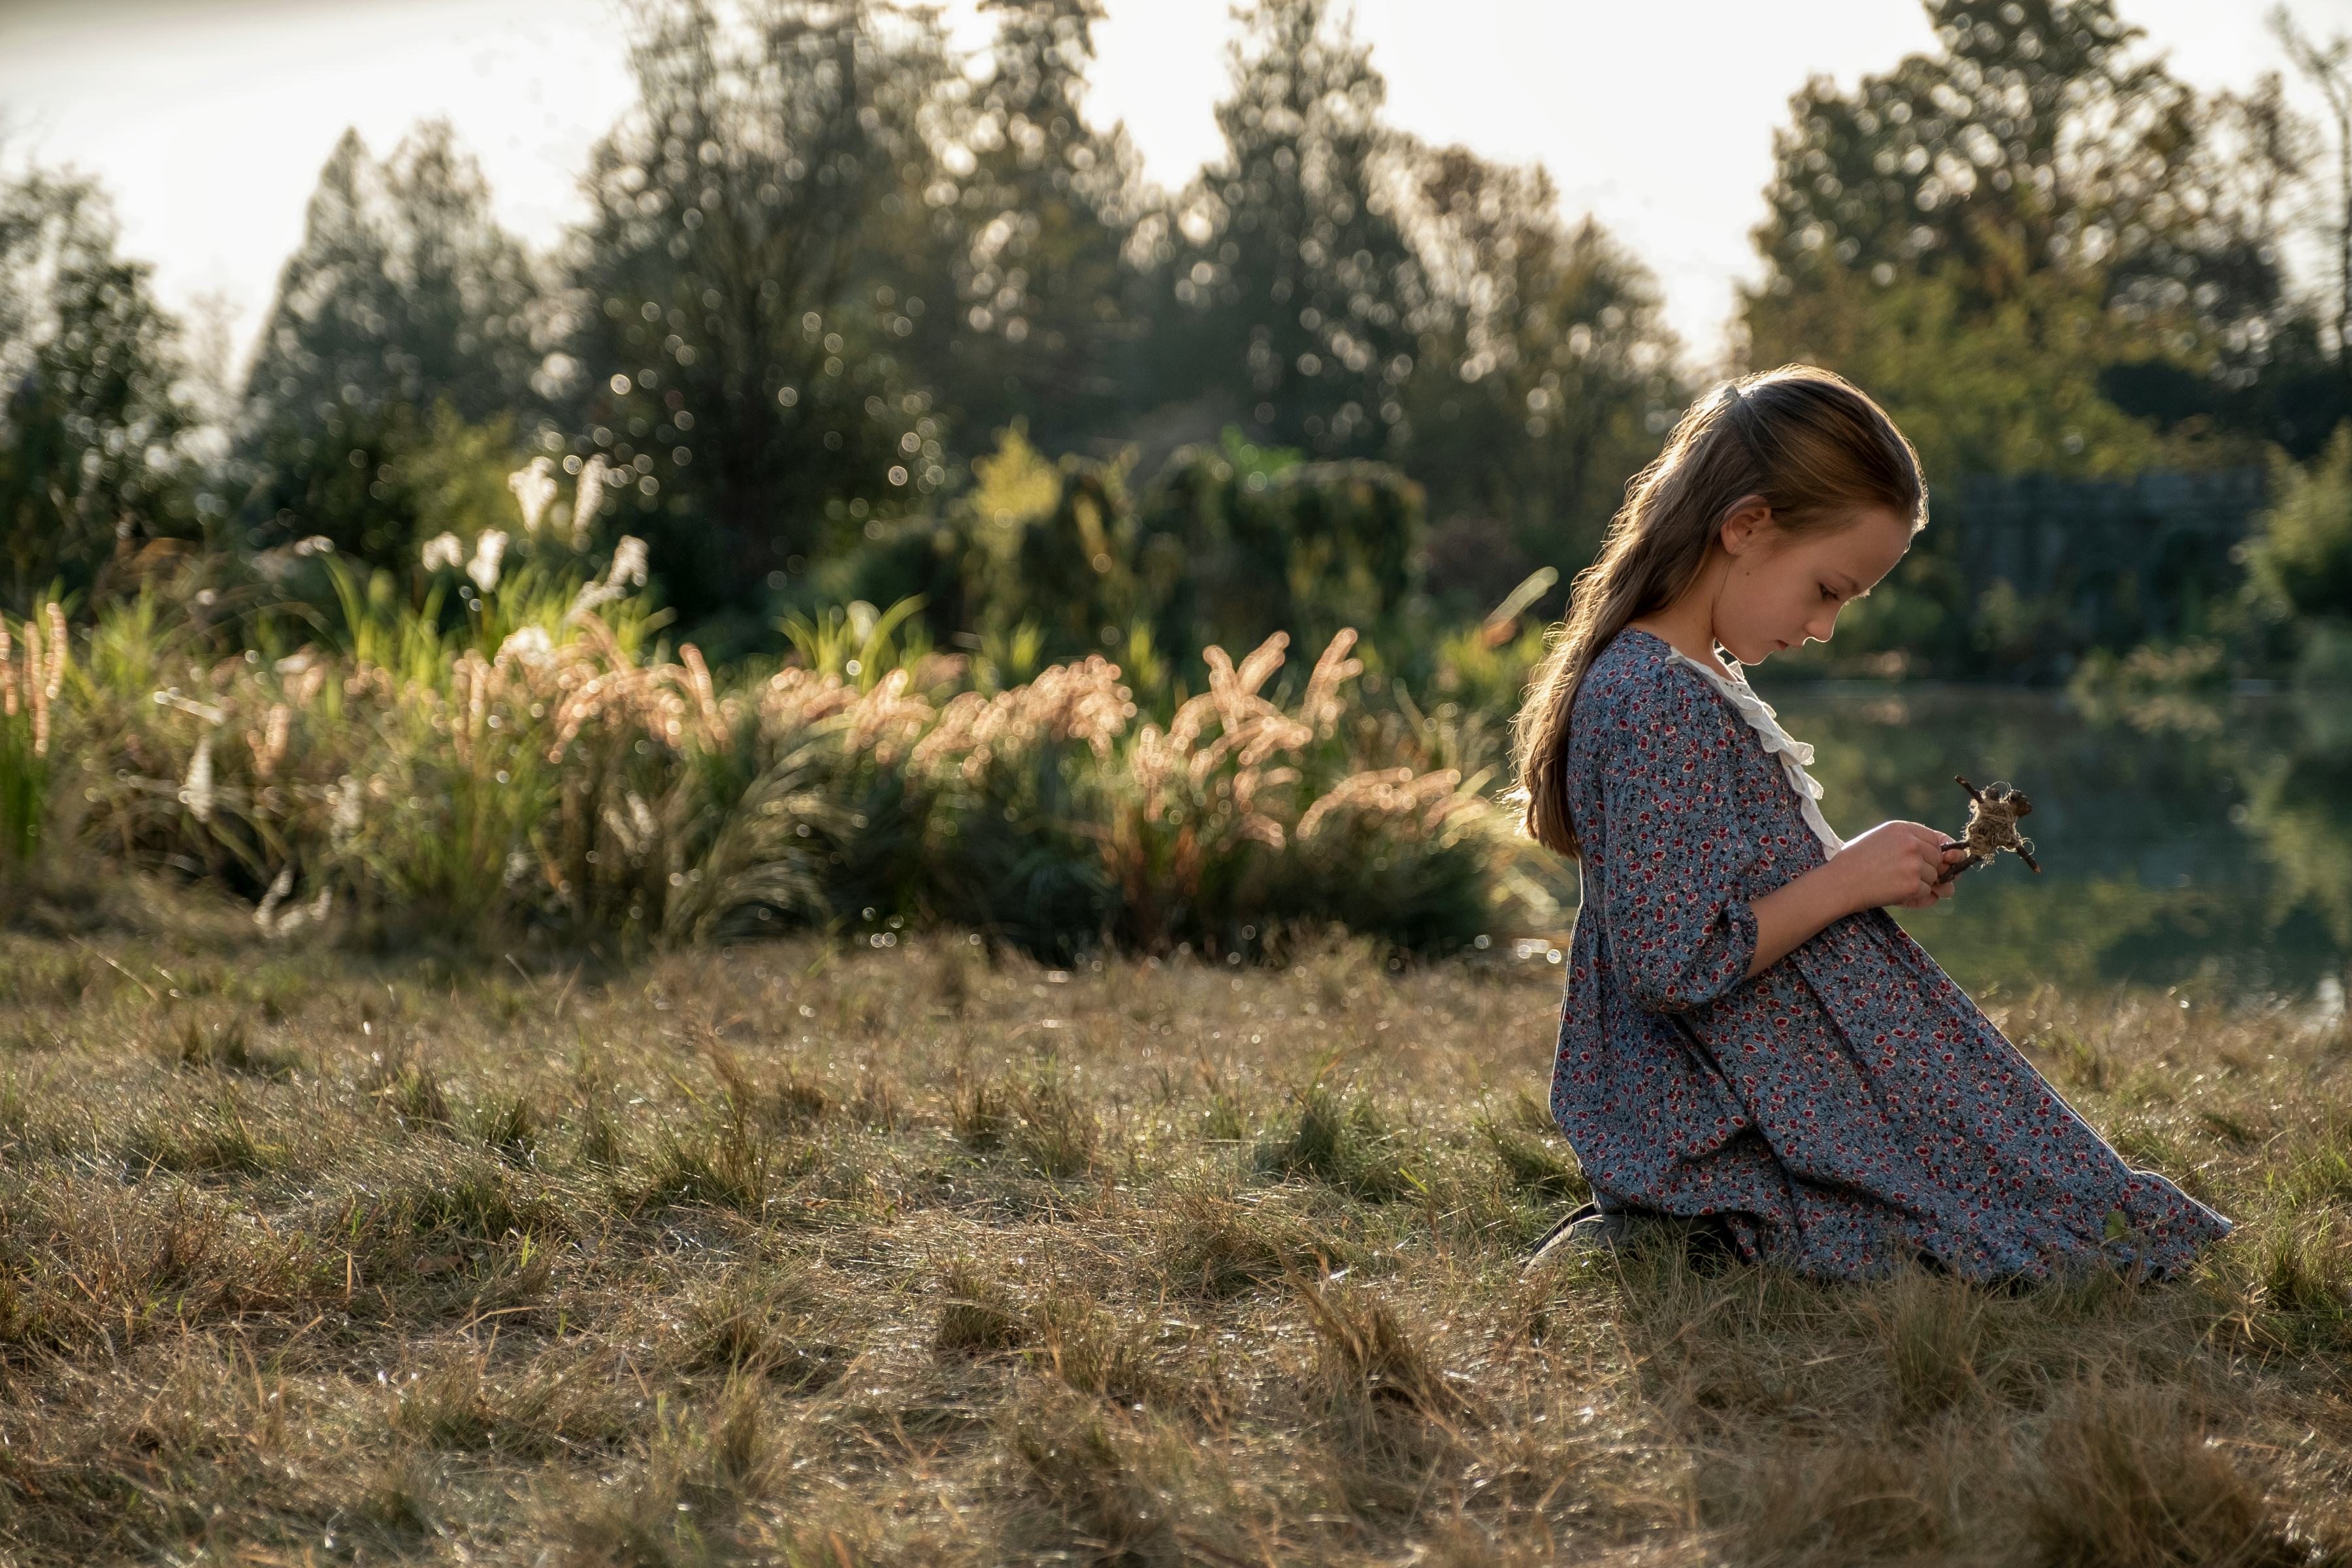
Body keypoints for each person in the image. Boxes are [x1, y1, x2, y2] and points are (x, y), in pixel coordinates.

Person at [1508, 365, 2235, 1285]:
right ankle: (1689, 1226)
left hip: (1767, 1073)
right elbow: (1672, 961)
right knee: (2005, 1231)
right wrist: (1844, 881)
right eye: (1827, 590)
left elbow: (1736, 893)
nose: (1827, 628)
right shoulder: (1653, 698)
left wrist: (1864, 870)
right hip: (1708, 1113)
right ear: (1746, 527)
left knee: (2044, 1198)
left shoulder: (1695, 680)